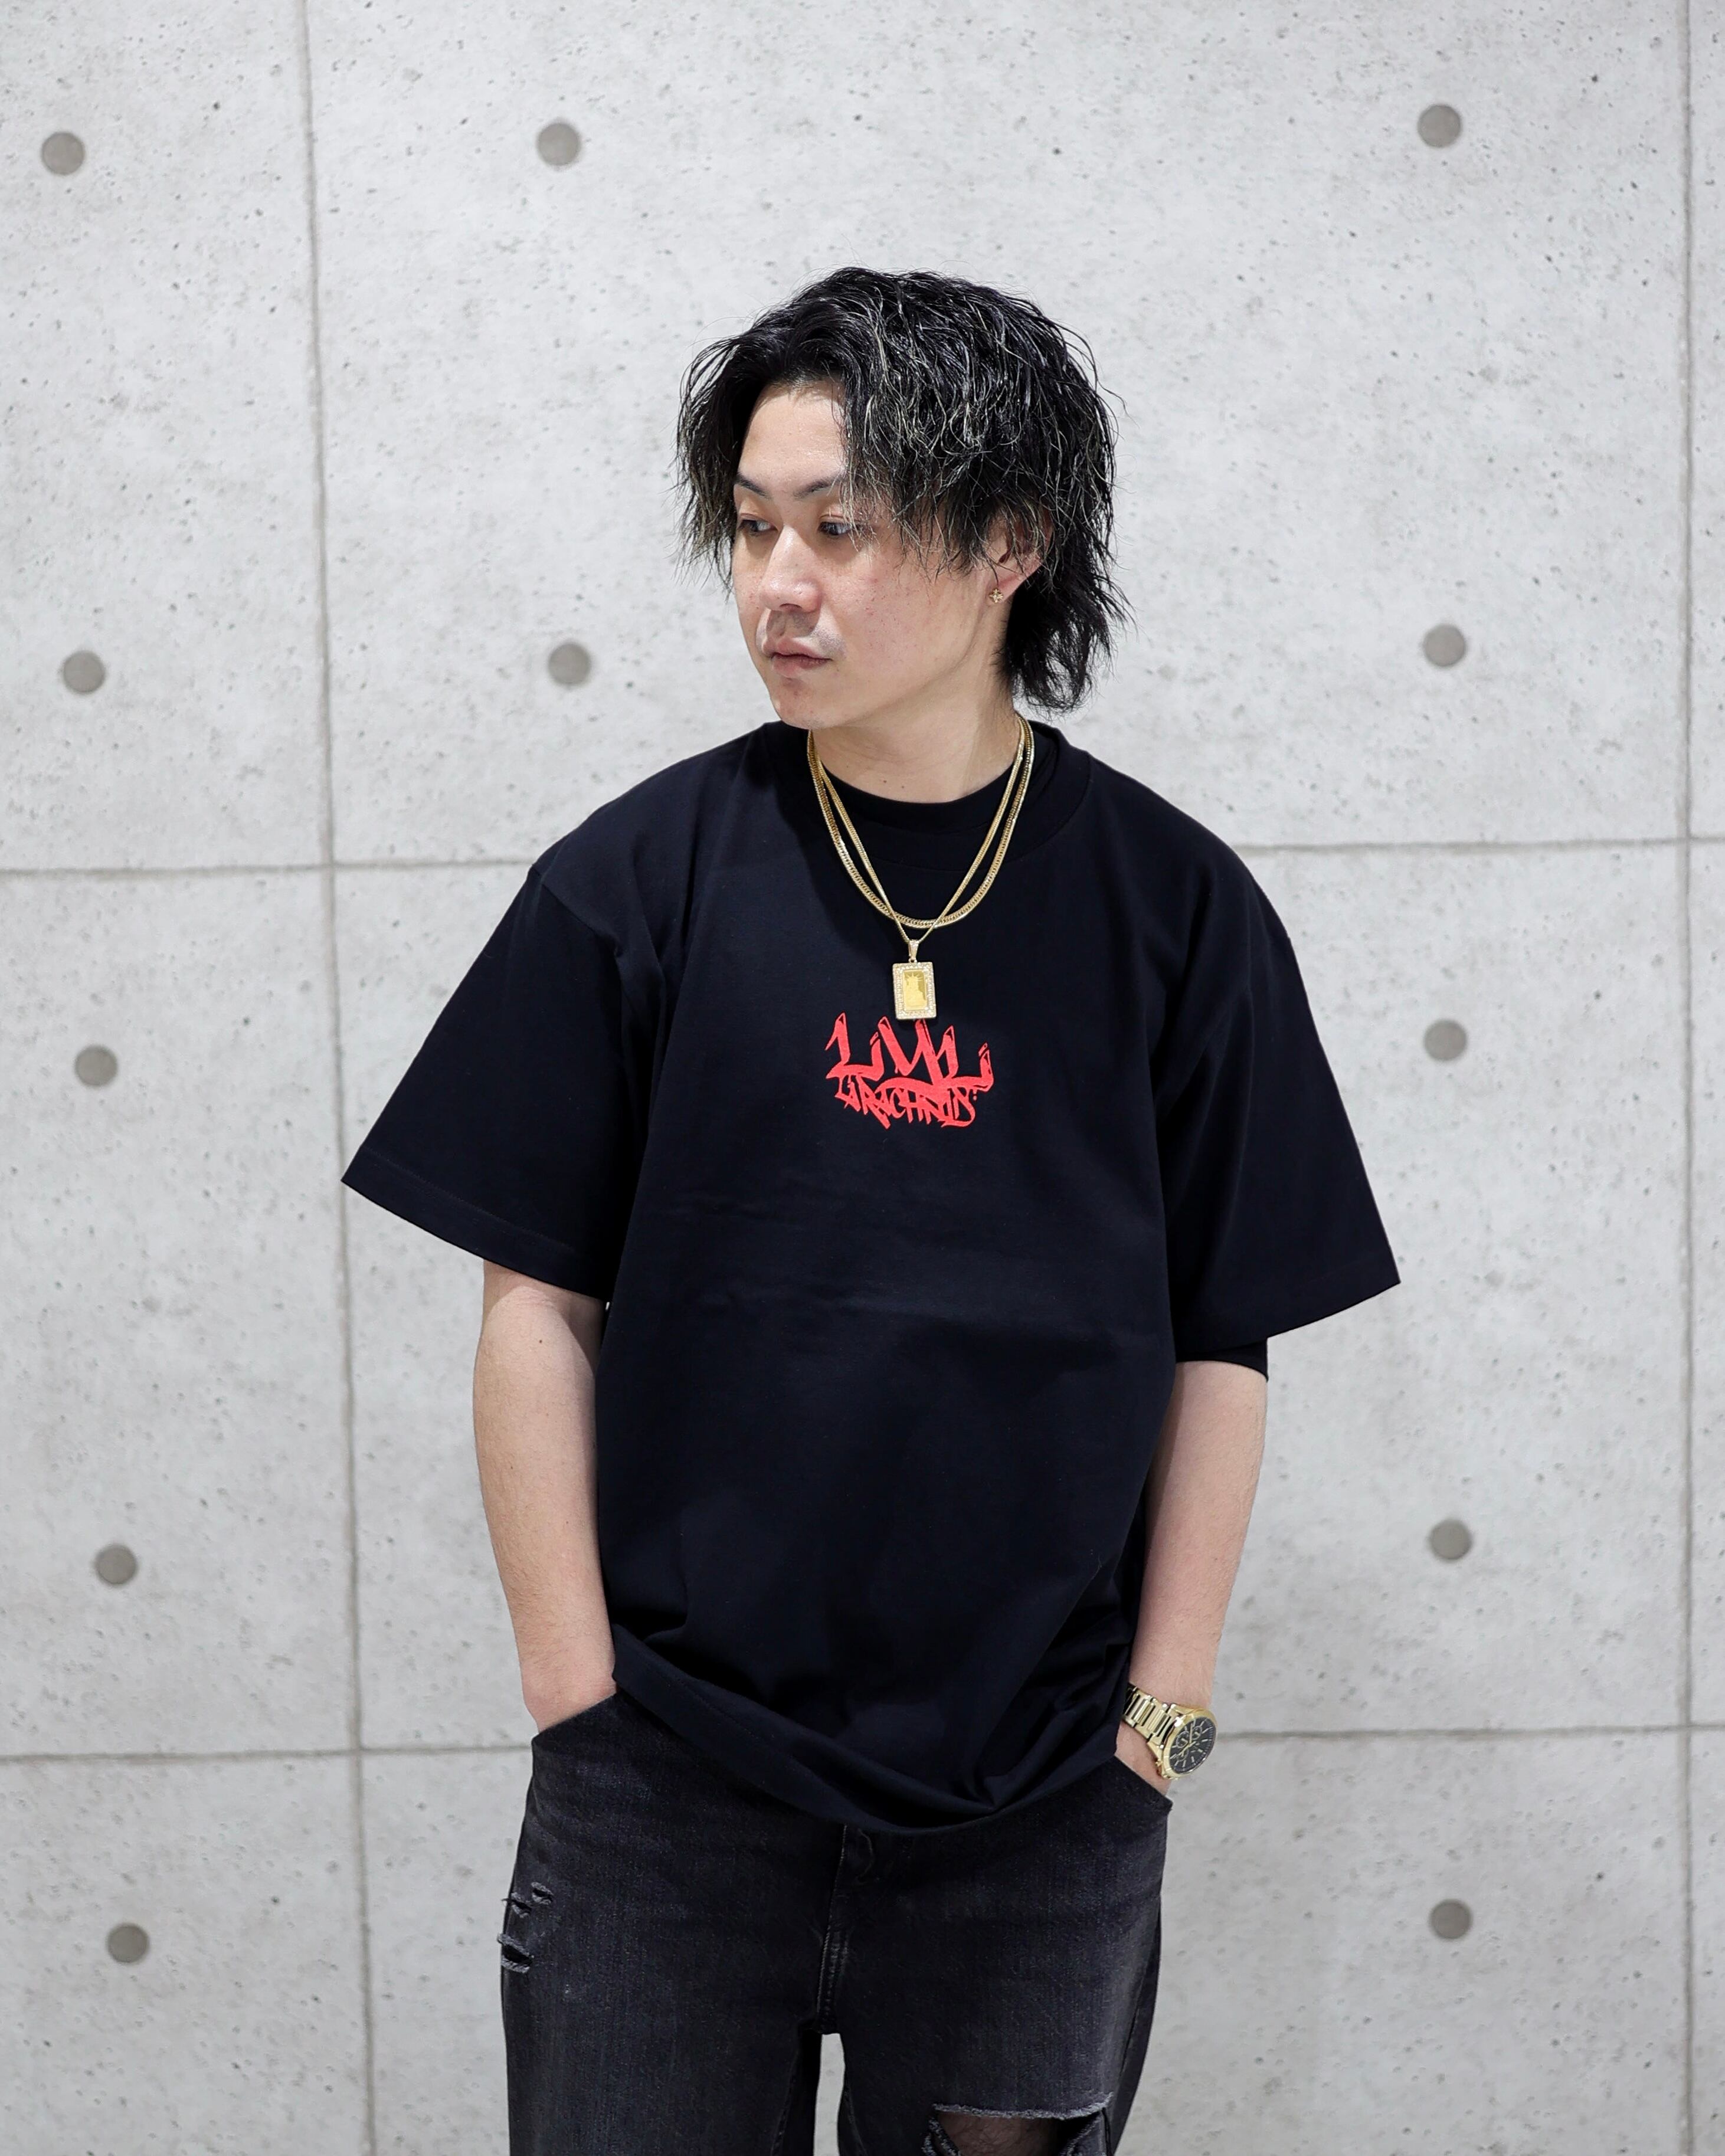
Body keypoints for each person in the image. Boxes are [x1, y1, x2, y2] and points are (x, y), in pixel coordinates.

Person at [341, 266, 1400, 2156]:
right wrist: (578, 1704)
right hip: (665, 1792)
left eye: (838, 529)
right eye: (751, 528)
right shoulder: (634, 883)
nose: (778, 584)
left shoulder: (1174, 912)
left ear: (1008, 544)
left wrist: (1156, 1732)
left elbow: (1218, 1344)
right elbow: (533, 1311)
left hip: (1040, 1805)